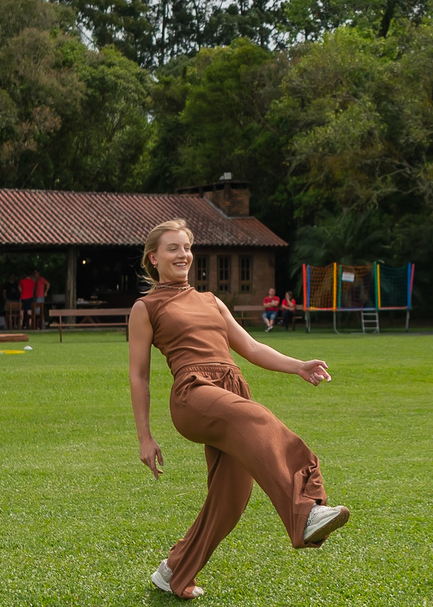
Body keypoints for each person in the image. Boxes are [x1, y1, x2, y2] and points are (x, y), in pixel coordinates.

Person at [129, 219, 349, 600]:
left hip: (231, 388)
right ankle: (307, 510)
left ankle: (174, 571)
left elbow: (251, 348)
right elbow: (140, 377)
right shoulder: (146, 307)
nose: (183, 254)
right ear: (154, 258)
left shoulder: (211, 300)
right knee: (258, 417)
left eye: (186, 247)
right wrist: (145, 437)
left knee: (231, 497)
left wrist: (298, 365)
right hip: (193, 394)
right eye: (172, 248)